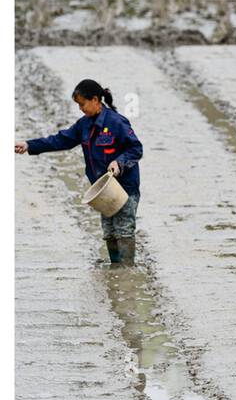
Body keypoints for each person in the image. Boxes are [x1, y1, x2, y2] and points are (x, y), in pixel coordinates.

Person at [15, 78, 143, 264]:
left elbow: (136, 149)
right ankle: (116, 270)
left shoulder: (116, 123)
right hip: (104, 190)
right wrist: (28, 145)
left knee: (124, 230)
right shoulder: (84, 125)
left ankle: (127, 272)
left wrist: (119, 162)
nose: (80, 108)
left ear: (96, 100)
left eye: (82, 104)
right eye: (78, 105)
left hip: (124, 188)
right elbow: (60, 140)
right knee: (109, 233)